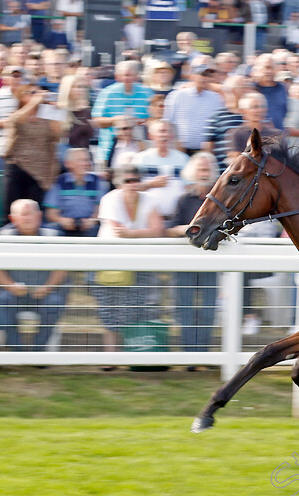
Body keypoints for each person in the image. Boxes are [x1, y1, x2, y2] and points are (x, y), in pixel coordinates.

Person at [93, 166, 164, 358]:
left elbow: (157, 230)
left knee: (136, 312)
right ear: (119, 183)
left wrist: (132, 234)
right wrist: (141, 234)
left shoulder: (150, 200)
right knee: (110, 313)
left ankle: (132, 356)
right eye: (128, 180)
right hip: (109, 265)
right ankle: (110, 357)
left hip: (140, 265)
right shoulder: (110, 199)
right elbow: (118, 231)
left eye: (136, 180)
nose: (132, 184)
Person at [166, 153, 220, 354]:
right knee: (185, 310)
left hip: (211, 261)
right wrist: (190, 229)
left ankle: (203, 354)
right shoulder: (183, 200)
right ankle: (188, 355)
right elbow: (170, 230)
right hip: (186, 262)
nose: (203, 173)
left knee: (208, 311)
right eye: (200, 169)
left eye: (206, 169)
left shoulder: (219, 200)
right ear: (192, 172)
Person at [0, 199, 66, 351]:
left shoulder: (53, 236)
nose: (27, 218)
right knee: (1, 302)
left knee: (54, 303)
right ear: (12, 218)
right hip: (13, 292)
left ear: (39, 216)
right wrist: (11, 286)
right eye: (23, 215)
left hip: (44, 293)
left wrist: (46, 288)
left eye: (30, 214)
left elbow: (62, 268)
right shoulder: (3, 237)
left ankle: (39, 350)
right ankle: (16, 349)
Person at [3, 82, 62, 221]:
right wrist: (34, 103)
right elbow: (16, 121)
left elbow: (58, 135)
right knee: (12, 212)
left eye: (37, 92)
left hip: (40, 172)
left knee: (34, 215)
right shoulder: (17, 114)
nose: (36, 96)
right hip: (18, 167)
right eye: (30, 93)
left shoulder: (47, 116)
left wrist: (55, 112)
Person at [163, 64, 225, 155]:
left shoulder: (216, 98)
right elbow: (168, 122)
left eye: (208, 75)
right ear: (192, 76)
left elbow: (218, 125)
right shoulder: (177, 95)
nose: (205, 78)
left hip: (205, 151)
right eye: (202, 75)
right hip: (180, 149)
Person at [43, 148, 106, 236]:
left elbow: (100, 210)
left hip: (89, 227)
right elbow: (51, 213)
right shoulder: (60, 182)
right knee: (52, 231)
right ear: (68, 163)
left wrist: (91, 221)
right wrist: (63, 220)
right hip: (64, 227)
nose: (85, 164)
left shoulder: (96, 181)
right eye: (80, 160)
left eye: (87, 160)